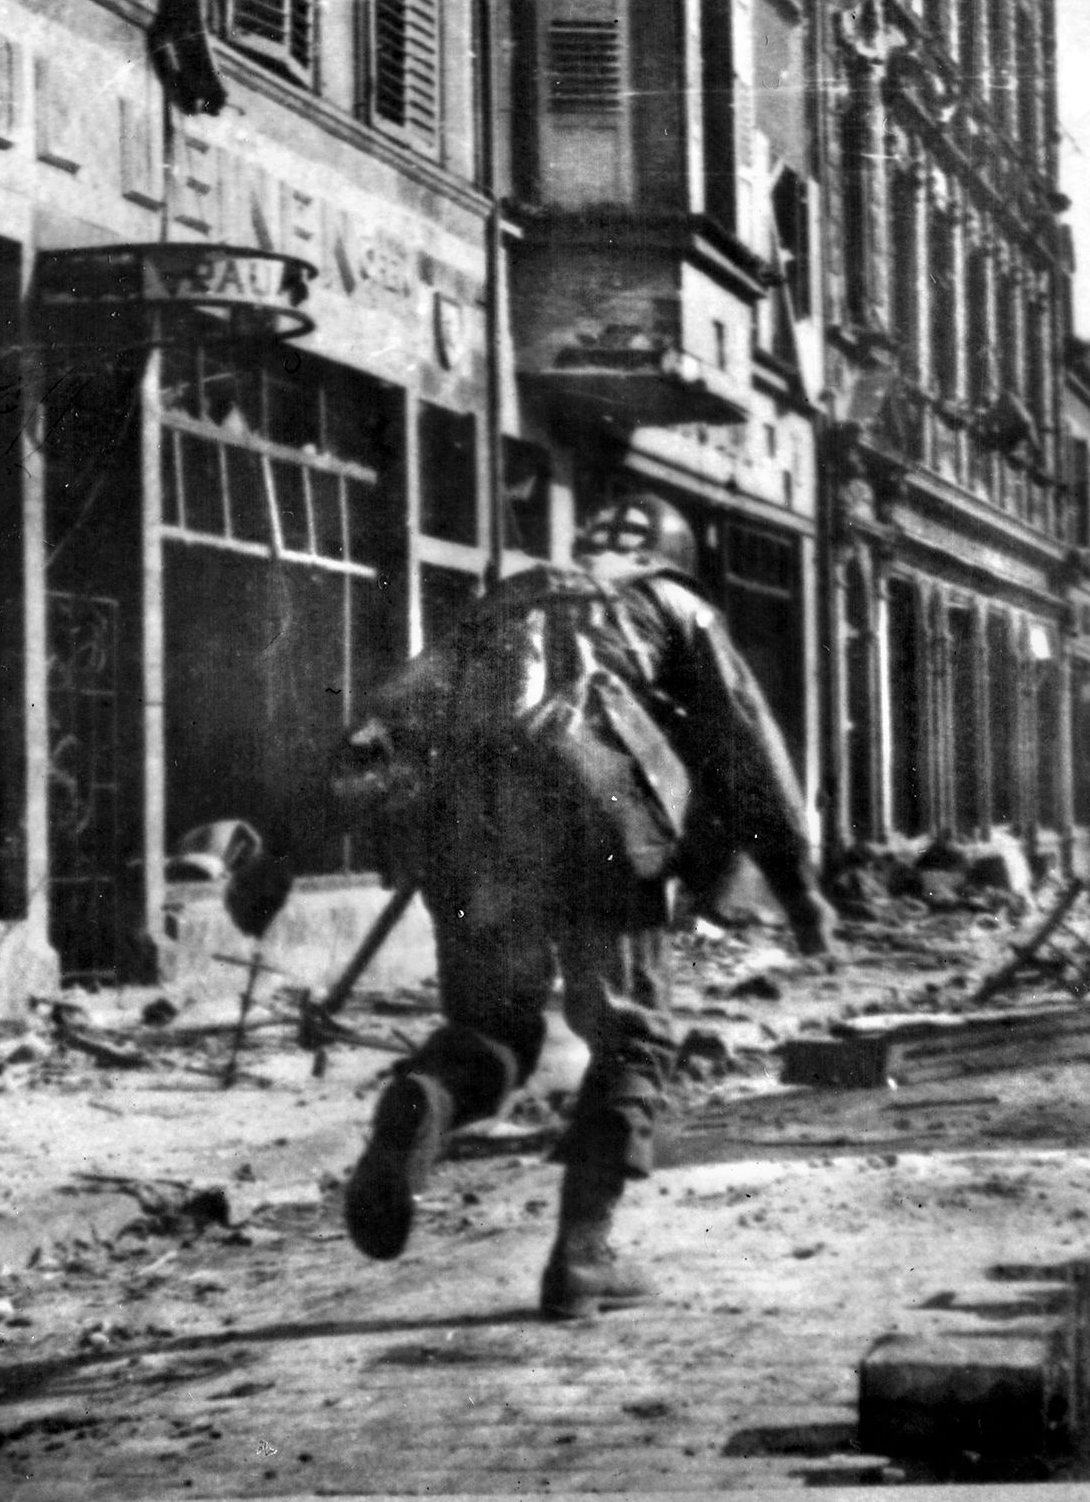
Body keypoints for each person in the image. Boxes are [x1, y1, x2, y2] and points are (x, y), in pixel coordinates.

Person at [329, 492, 833, 1318]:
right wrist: (798, 887)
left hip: (476, 831)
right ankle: (583, 1255)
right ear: (670, 555)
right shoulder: (675, 604)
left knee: (492, 1029)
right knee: (633, 1036)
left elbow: (392, 717)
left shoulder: (511, 594)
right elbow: (748, 744)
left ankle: (427, 1099)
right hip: (598, 825)